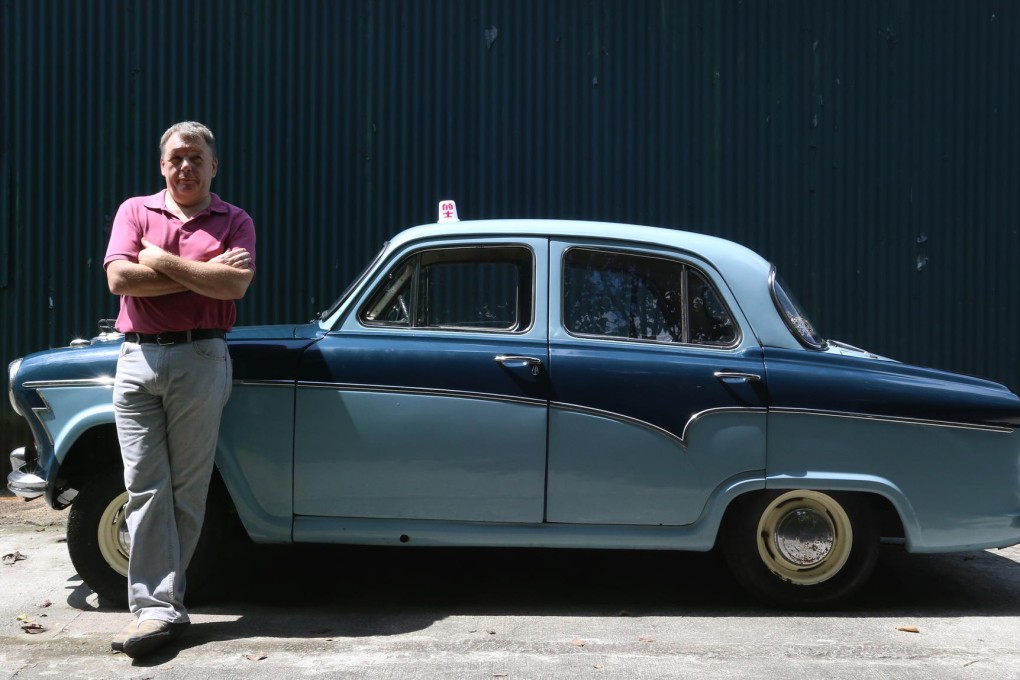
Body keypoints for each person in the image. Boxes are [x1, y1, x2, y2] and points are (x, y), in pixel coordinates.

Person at [103, 121, 256, 658]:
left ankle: (159, 608)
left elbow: (234, 285)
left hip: (201, 355)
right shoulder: (134, 211)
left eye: (196, 158)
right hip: (137, 358)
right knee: (145, 487)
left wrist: (161, 261)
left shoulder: (234, 220)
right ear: (162, 165)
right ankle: (158, 609)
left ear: (214, 166)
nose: (185, 166)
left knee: (187, 491)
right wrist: (203, 270)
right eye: (175, 158)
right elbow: (119, 281)